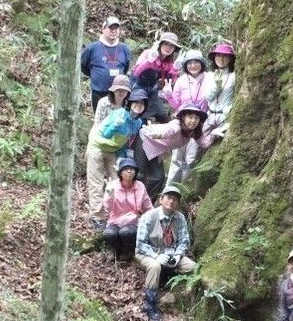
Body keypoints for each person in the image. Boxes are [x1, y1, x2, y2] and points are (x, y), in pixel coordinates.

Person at [85, 88, 147, 230]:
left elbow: (124, 143)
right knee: (96, 182)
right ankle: (96, 216)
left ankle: (118, 214)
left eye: (141, 104)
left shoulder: (137, 123)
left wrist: (122, 158)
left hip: (112, 150)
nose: (138, 105)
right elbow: (106, 133)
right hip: (97, 146)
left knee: (118, 181)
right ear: (130, 103)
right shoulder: (119, 114)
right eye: (135, 103)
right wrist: (115, 125)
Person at [135, 185, 196, 321]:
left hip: (171, 254)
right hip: (148, 254)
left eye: (175, 199)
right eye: (168, 197)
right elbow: (140, 244)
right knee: (155, 266)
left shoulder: (179, 218)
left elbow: (184, 241)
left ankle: (178, 292)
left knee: (194, 268)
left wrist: (178, 255)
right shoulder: (149, 217)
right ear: (161, 199)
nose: (171, 201)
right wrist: (156, 256)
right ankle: (149, 304)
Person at [136, 103, 217, 196]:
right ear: (183, 117)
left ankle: (147, 203)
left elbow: (205, 143)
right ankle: (133, 201)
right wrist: (157, 135)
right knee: (140, 175)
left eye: (196, 118)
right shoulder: (177, 125)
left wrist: (215, 134)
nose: (193, 121)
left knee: (158, 178)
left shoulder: (195, 131)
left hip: (156, 149)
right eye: (190, 117)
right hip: (145, 140)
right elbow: (168, 131)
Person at [102, 157, 153, 262]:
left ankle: (127, 251)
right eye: (126, 169)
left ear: (135, 172)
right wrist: (110, 196)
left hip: (133, 222)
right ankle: (114, 251)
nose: (129, 171)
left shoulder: (140, 186)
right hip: (115, 220)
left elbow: (148, 206)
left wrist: (155, 219)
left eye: (132, 169)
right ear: (120, 172)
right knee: (109, 234)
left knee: (126, 232)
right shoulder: (113, 186)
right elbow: (108, 209)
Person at [81, 16, 132, 113]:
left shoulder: (124, 48)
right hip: (99, 91)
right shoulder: (92, 48)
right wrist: (96, 75)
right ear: (103, 29)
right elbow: (83, 66)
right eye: (110, 28)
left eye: (116, 28)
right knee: (100, 118)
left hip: (118, 92)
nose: (113, 31)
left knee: (117, 118)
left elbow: (126, 67)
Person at [131, 32, 182, 123]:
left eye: (172, 46)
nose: (168, 48)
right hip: (138, 86)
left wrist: (175, 69)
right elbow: (136, 72)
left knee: (162, 115)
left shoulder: (168, 62)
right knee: (139, 116)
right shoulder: (148, 53)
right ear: (160, 44)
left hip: (152, 89)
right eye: (166, 43)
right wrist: (149, 61)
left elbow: (172, 80)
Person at [162, 49, 210, 113]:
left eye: (196, 62)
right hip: (184, 118)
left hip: (203, 117)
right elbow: (176, 106)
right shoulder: (181, 81)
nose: (193, 66)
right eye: (189, 63)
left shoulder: (209, 77)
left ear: (201, 63)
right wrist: (169, 96)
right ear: (186, 65)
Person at [204, 42, 236, 137]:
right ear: (214, 57)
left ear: (230, 59)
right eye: (218, 55)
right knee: (195, 145)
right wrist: (217, 86)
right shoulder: (210, 75)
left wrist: (229, 108)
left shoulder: (233, 76)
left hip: (224, 118)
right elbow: (207, 97)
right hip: (210, 116)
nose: (221, 59)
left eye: (225, 56)